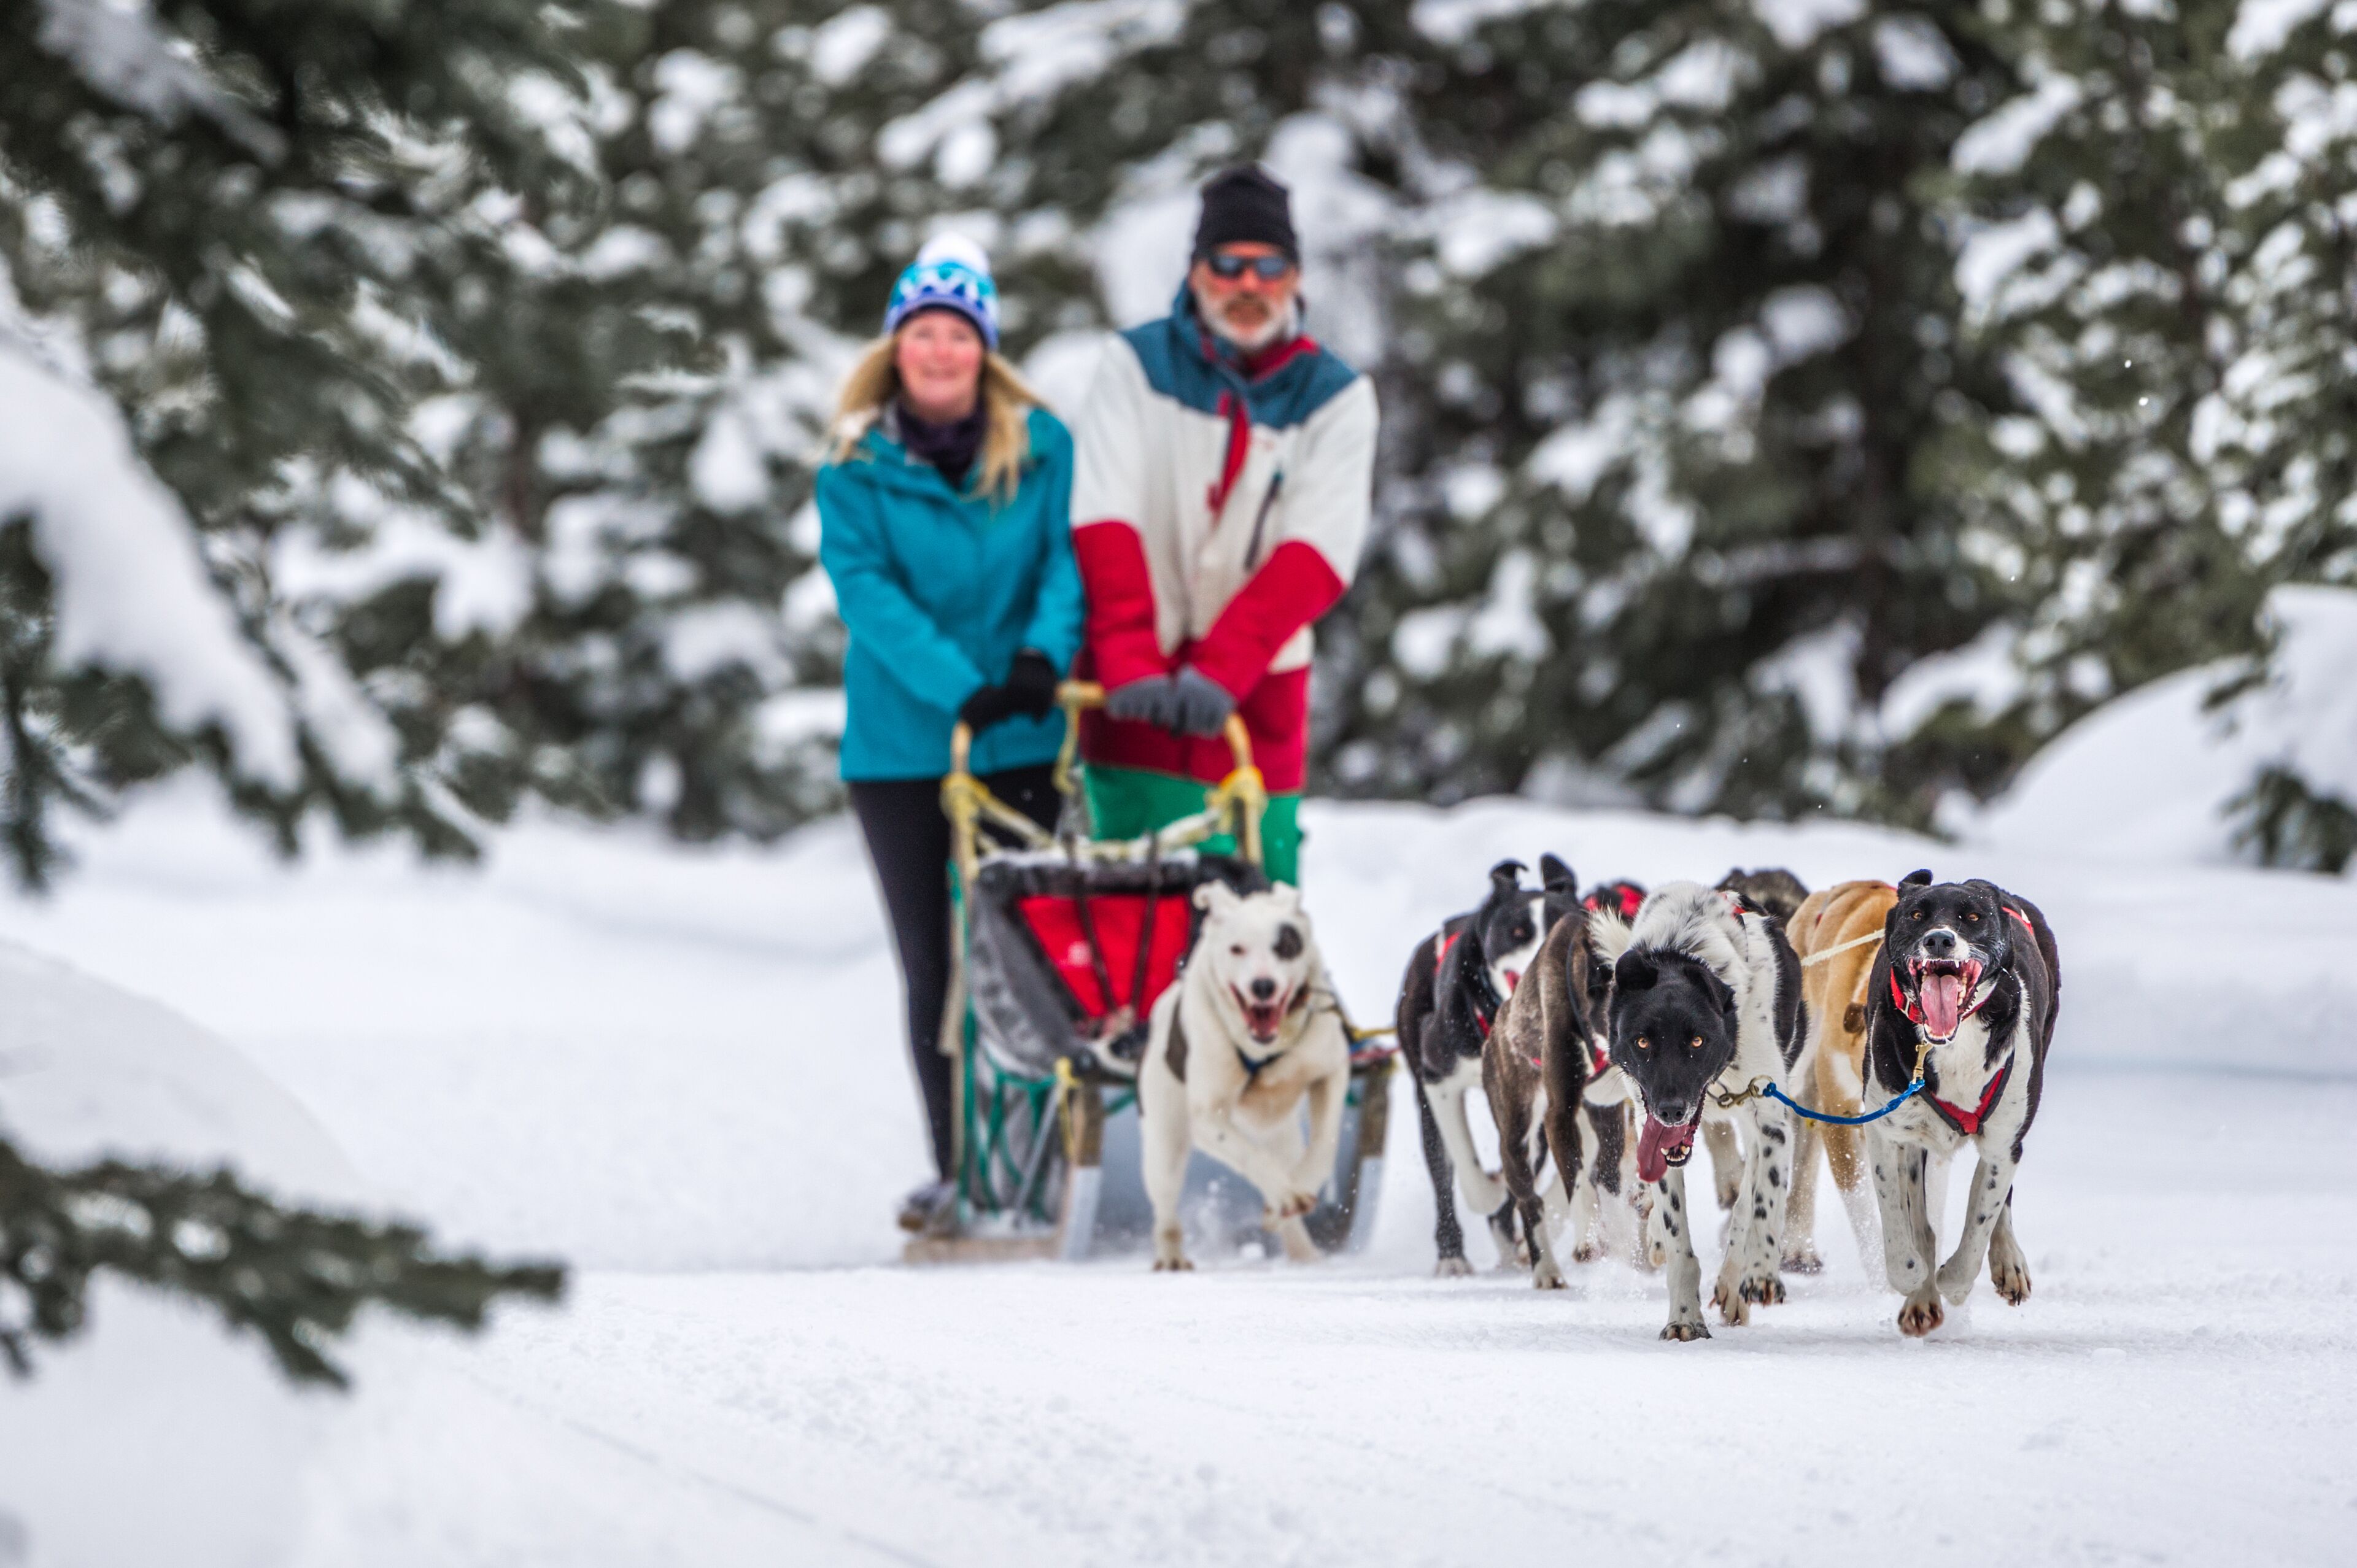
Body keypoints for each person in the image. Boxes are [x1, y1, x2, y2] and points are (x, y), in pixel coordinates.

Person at [818, 234, 1083, 1237]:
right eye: (922, 333)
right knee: (934, 964)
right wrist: (959, 686)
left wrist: (1037, 663)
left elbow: (1066, 564)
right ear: (897, 347)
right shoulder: (855, 465)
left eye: (957, 334)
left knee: (1029, 950)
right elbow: (865, 591)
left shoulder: (1044, 446)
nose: (939, 351)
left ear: (984, 349)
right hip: (902, 751)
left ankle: (1051, 1158)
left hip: (1021, 734)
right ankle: (959, 1168)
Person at [1067, 165, 1377, 887]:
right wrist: (1129, 651)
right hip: (1134, 696)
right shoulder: (1135, 366)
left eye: (1267, 266)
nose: (1248, 285)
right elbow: (1105, 512)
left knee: (1259, 924)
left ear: (1294, 276)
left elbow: (1317, 550)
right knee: (1131, 918)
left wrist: (1223, 666)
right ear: (1197, 272)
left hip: (1253, 702)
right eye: (1227, 265)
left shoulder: (1335, 398)